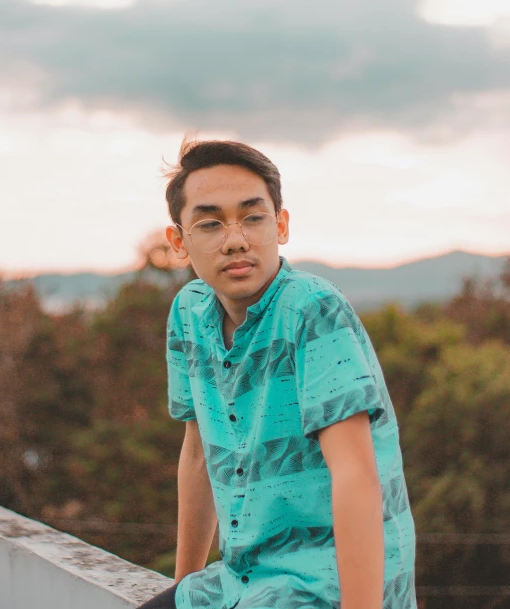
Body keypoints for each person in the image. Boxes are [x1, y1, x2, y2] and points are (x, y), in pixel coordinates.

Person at [137, 138, 417, 609]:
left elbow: (356, 474)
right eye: (210, 223)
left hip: (328, 587)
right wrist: (183, 589)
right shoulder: (188, 313)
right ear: (179, 242)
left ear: (280, 224)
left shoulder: (311, 309)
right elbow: (198, 454)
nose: (235, 239)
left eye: (253, 216)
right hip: (243, 580)